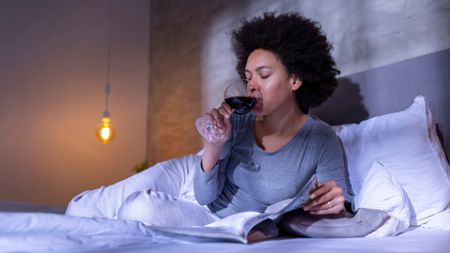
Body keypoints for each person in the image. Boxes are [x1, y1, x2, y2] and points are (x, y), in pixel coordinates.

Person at [194, 12, 353, 219]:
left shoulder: (320, 139)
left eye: (264, 75)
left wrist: (335, 205)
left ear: (294, 80)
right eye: (248, 78)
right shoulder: (237, 121)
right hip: (212, 219)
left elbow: (339, 211)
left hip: (262, 230)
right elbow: (204, 197)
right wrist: (214, 145)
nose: (252, 86)